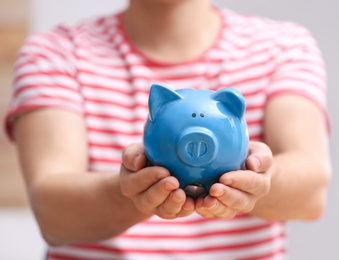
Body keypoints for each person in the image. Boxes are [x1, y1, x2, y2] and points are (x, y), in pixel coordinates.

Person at [5, 0, 331, 259]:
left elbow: (312, 189)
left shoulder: (284, 46)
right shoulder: (54, 53)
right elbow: (52, 212)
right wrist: (132, 194)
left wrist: (258, 178)